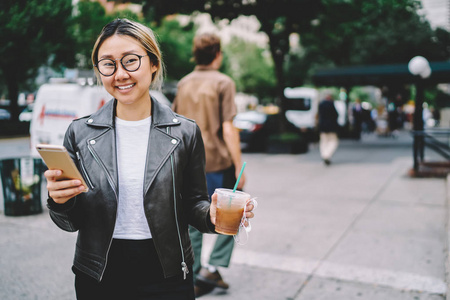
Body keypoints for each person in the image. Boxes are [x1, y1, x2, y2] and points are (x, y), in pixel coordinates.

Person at [43, 19, 254, 300]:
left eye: (131, 61)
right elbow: (71, 222)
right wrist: (60, 201)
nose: (120, 74)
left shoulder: (186, 132)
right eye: (108, 64)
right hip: (98, 274)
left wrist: (211, 216)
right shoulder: (79, 132)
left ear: (153, 63)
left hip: (167, 273)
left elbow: (194, 204)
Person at [172, 33, 246, 297]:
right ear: (218, 54)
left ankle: (195, 273)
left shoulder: (183, 83)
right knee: (232, 216)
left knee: (193, 218)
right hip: (217, 162)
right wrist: (239, 166)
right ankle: (212, 267)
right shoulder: (224, 82)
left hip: (187, 162)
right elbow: (228, 128)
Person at [317, 93, 339, 165]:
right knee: (333, 141)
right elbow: (336, 115)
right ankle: (327, 154)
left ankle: (324, 154)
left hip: (322, 126)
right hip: (331, 126)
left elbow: (319, 115)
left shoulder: (321, 104)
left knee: (324, 141)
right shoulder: (331, 104)